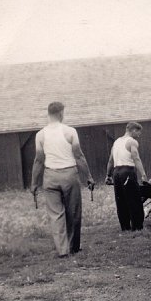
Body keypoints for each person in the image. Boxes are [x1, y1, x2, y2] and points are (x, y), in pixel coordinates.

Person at [30, 102, 95, 257]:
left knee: (55, 214)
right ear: (60, 113)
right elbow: (79, 156)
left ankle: (62, 250)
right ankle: (73, 247)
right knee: (73, 212)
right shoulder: (70, 132)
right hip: (69, 175)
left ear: (49, 114)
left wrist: (33, 183)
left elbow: (38, 161)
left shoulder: (40, 135)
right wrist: (89, 177)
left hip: (50, 176)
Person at [106, 122, 147, 231]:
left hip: (116, 172)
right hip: (127, 171)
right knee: (134, 199)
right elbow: (136, 158)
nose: (139, 134)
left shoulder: (116, 142)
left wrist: (108, 175)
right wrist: (143, 174)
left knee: (121, 200)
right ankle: (137, 227)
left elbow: (110, 160)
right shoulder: (132, 142)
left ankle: (125, 227)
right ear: (133, 130)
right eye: (139, 132)